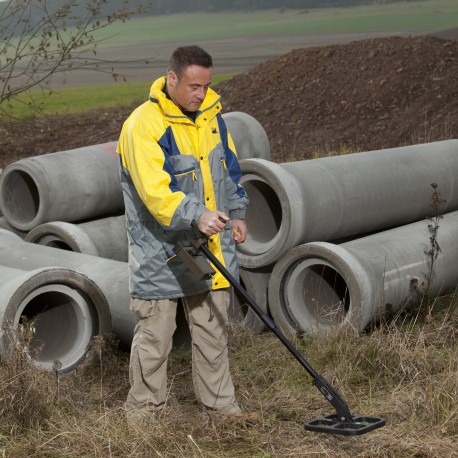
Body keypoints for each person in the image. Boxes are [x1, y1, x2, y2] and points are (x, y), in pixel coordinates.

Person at [117, 45, 252, 423]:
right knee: (155, 338)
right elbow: (155, 191)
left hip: (209, 246)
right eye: (194, 86)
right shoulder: (144, 124)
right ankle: (144, 417)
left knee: (213, 333)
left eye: (207, 86)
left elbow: (228, 169)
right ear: (171, 78)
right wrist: (197, 215)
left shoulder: (212, 117)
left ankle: (222, 410)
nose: (201, 94)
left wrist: (237, 213)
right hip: (160, 251)